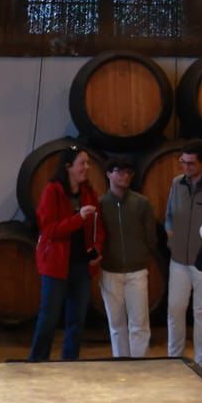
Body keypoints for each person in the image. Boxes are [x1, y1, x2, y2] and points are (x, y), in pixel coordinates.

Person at [32, 148, 101, 362]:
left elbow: (98, 225)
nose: (87, 168)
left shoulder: (88, 191)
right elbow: (49, 231)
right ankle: (37, 362)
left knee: (77, 320)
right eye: (82, 163)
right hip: (56, 265)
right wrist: (78, 218)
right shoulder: (52, 191)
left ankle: (70, 362)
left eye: (88, 163)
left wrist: (97, 249)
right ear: (68, 166)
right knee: (49, 318)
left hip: (81, 265)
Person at [161, 141, 202, 367]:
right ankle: (174, 360)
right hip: (178, 260)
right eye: (183, 162)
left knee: (201, 312)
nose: (185, 167)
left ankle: (201, 364)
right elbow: (169, 215)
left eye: (191, 163)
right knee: (175, 310)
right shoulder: (177, 183)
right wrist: (171, 237)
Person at [96, 155, 157, 358]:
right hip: (109, 271)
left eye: (128, 172)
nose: (124, 176)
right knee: (116, 325)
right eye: (119, 171)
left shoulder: (142, 203)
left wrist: (142, 256)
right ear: (108, 174)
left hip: (137, 271)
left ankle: (138, 366)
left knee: (139, 324)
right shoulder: (101, 204)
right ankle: (121, 364)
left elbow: (151, 237)